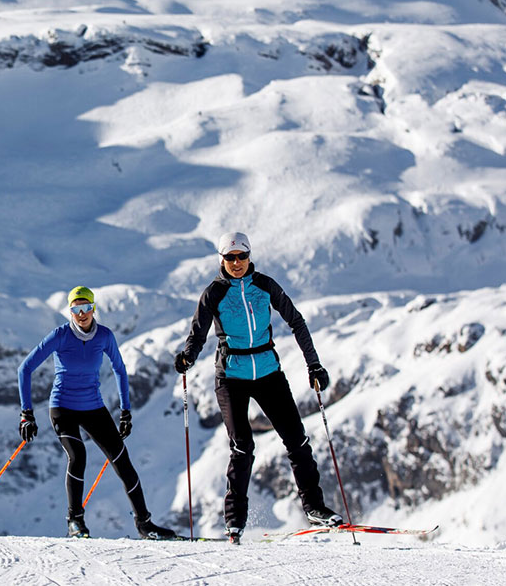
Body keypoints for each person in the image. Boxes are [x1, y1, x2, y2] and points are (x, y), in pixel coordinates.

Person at [173, 232, 343, 544]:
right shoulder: (215, 292)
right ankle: (235, 522)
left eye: (241, 257)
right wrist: (188, 357)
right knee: (243, 446)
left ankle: (315, 507)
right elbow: (198, 332)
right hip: (232, 376)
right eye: (230, 258)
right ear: (221, 260)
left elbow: (297, 322)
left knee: (297, 440)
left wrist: (314, 364)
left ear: (250, 256)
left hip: (267, 372)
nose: (236, 263)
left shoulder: (265, 285)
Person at [18, 286, 177, 540]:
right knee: (77, 455)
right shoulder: (60, 335)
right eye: (76, 309)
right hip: (62, 408)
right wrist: (27, 413)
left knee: (122, 461)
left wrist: (126, 411)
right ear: (70, 311)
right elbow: (25, 369)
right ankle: (75, 521)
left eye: (86, 308)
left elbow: (120, 370)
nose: (81, 314)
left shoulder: (104, 336)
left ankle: (145, 524)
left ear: (94, 309)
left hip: (93, 406)